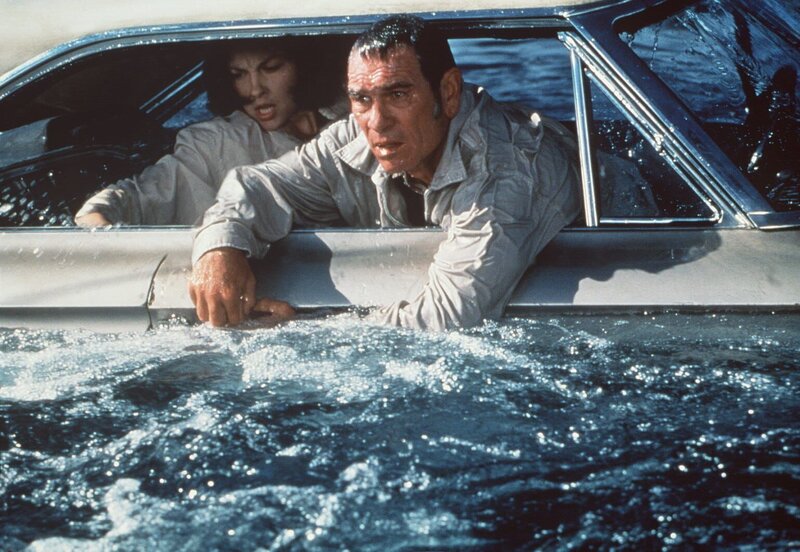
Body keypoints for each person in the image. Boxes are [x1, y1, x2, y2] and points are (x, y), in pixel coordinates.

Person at [189, 15, 581, 331]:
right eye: (361, 99)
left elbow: (443, 323)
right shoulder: (356, 135)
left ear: (448, 92)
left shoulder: (505, 173)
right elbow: (257, 184)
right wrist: (220, 249)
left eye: (398, 94)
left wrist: (297, 331)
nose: (377, 122)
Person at [74, 37, 346, 226]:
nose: (254, 89)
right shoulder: (217, 142)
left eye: (271, 68)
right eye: (238, 74)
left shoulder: (353, 120)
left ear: (304, 67)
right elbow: (129, 201)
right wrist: (99, 225)